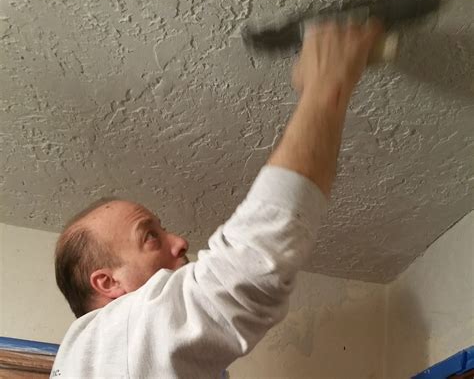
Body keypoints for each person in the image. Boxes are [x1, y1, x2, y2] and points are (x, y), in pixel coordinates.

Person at [51, 19, 383, 378]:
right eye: (150, 236)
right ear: (108, 283)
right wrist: (327, 84)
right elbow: (252, 266)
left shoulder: (111, 358)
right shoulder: (112, 334)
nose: (180, 241)